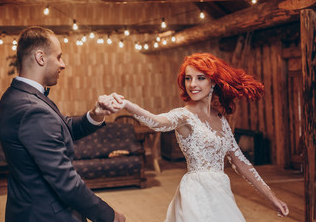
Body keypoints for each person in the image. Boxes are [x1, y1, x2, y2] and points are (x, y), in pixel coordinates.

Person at [118, 53, 289, 221]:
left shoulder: (220, 118)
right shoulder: (183, 116)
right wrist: (127, 105)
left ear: (213, 81)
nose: (192, 84)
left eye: (200, 78)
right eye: (188, 78)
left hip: (221, 193)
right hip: (196, 195)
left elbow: (241, 162)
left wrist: (272, 198)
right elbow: (157, 122)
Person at [0, 26, 125, 222]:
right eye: (58, 57)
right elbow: (65, 181)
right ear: (40, 58)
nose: (63, 64)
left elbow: (63, 126)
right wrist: (108, 215)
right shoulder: (31, 108)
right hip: (46, 215)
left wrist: (95, 114)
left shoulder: (15, 96)